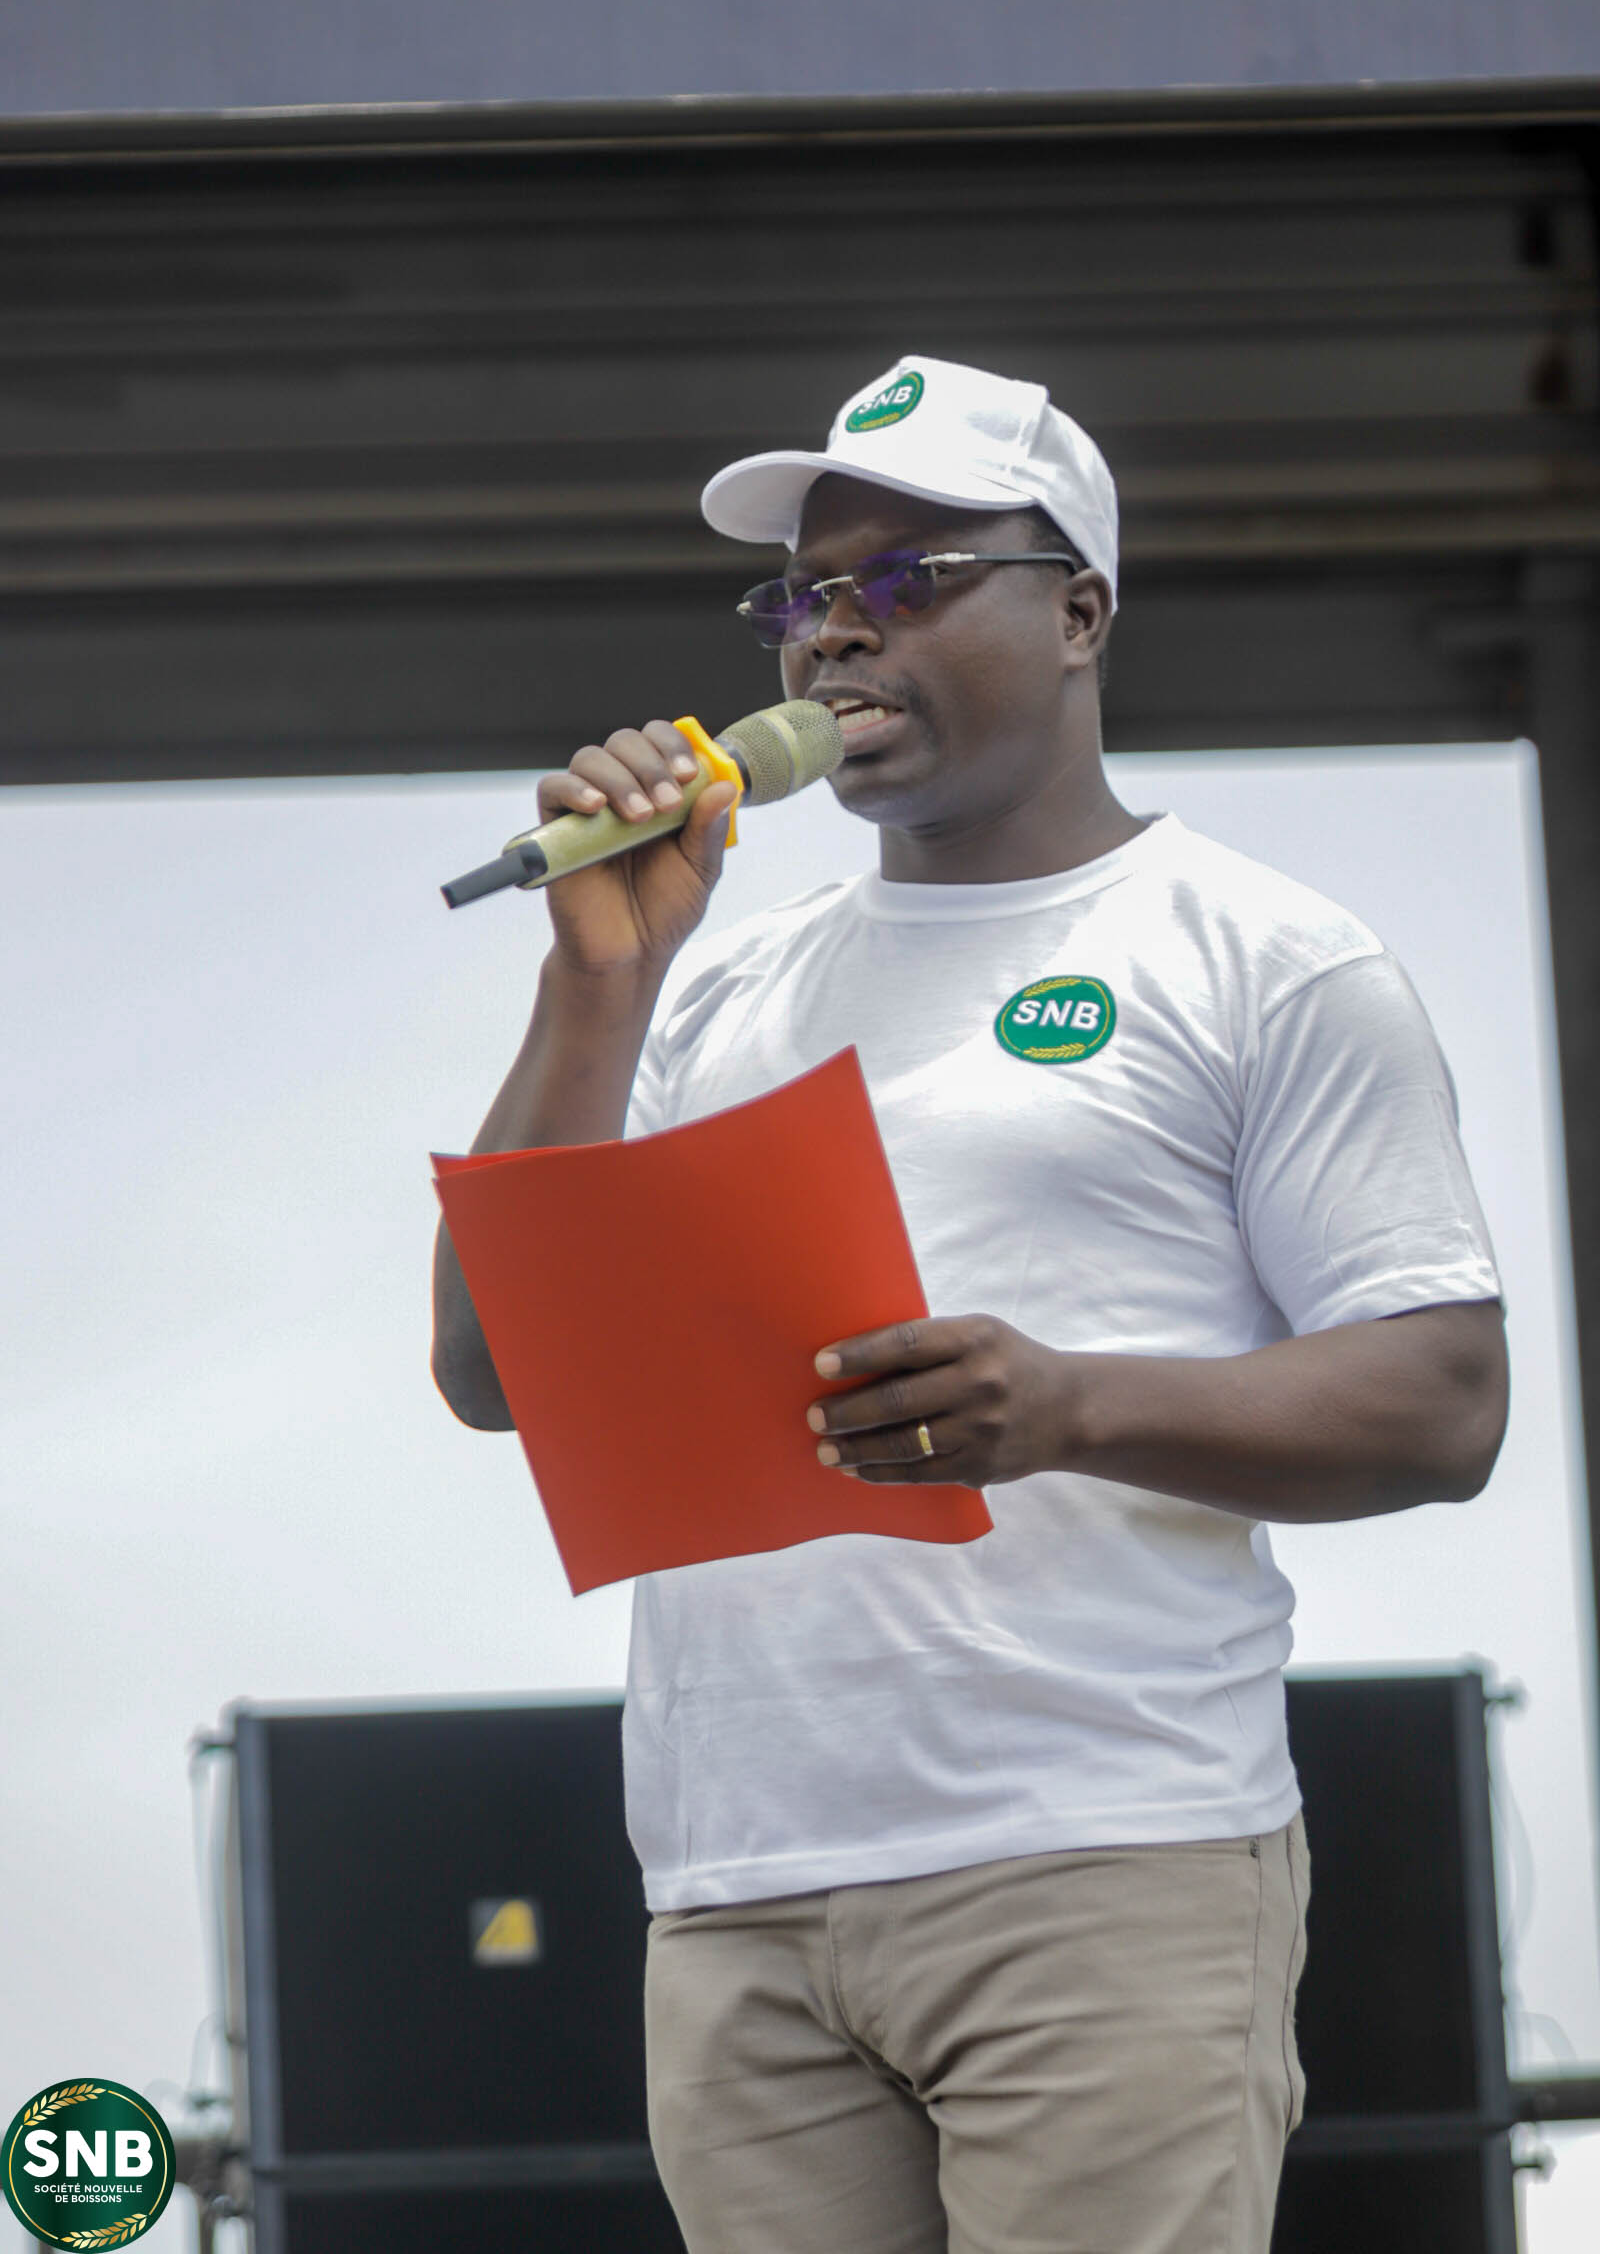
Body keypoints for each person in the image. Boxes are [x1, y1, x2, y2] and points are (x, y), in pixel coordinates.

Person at [431, 354, 1508, 2254]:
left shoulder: (1263, 958)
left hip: (1101, 1854)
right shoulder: (721, 986)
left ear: (1079, 611)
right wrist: (599, 980)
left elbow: (1440, 1400)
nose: (836, 630)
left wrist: (1071, 1405)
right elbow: (494, 1370)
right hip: (738, 1885)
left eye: (909, 580)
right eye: (803, 596)